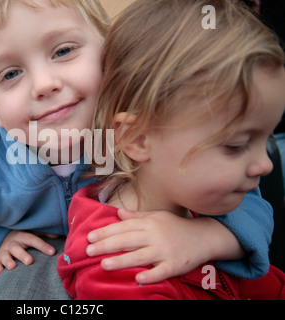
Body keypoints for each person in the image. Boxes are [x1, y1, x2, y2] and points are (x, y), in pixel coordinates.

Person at [0, 0, 275, 298]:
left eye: (63, 51)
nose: (44, 84)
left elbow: (250, 202)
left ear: (109, 51)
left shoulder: (146, 133)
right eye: (10, 74)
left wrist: (206, 237)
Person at [58, 0, 285, 300]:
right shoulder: (120, 267)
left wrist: (209, 237)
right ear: (137, 139)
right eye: (236, 145)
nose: (265, 165)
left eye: (266, 138)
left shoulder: (195, 193)